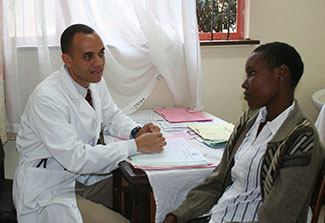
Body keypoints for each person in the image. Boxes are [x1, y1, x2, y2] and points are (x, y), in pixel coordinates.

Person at [13, 24, 166, 223]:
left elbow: (111, 117)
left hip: (84, 179)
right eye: (88, 56)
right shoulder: (47, 98)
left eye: (101, 54)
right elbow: (76, 158)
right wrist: (135, 146)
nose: (99, 63)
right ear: (67, 60)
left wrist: (136, 132)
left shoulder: (93, 81)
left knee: (148, 196)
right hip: (49, 188)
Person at [163, 42, 324, 223]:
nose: (244, 84)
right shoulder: (250, 120)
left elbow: (279, 215)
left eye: (252, 74)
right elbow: (217, 182)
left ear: (281, 74)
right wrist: (176, 216)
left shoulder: (302, 139)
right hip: (220, 216)